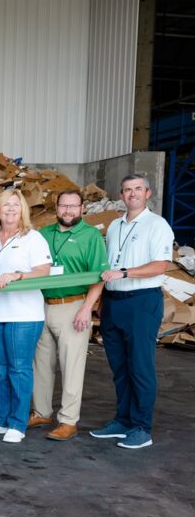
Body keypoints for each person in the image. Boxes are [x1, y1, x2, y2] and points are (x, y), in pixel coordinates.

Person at [92, 174, 174, 450]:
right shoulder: (115, 225)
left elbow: (161, 265)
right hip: (114, 302)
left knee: (140, 366)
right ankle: (123, 420)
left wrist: (125, 272)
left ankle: (141, 427)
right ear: (121, 194)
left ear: (148, 193)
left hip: (141, 302)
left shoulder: (157, 225)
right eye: (127, 190)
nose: (132, 194)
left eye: (138, 189)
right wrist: (103, 300)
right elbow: (108, 265)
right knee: (120, 367)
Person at [30, 190, 108, 440]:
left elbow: (98, 277)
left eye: (74, 206)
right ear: (57, 208)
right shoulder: (43, 234)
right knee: (41, 364)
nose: (68, 211)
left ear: (83, 208)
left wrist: (87, 308)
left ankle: (68, 420)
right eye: (64, 206)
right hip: (42, 304)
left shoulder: (91, 236)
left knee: (71, 366)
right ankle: (41, 411)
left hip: (73, 306)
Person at [0, 188, 51, 444]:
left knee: (18, 369)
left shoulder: (33, 238)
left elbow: (44, 271)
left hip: (24, 314)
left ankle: (17, 423)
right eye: (6, 205)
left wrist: (19, 275)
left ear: (23, 210)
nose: (10, 209)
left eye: (16, 205)